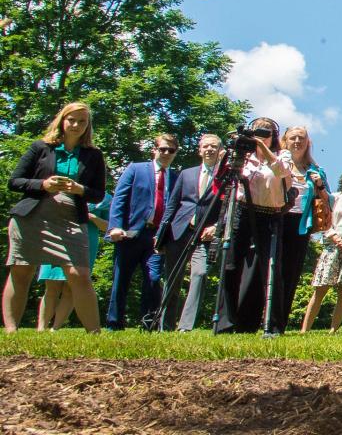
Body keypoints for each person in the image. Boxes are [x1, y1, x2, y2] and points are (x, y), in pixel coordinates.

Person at [3, 102, 105, 333]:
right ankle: (11, 330)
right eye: (72, 119)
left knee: (79, 274)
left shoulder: (93, 155)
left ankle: (94, 333)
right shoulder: (40, 147)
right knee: (21, 269)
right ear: (62, 120)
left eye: (82, 121)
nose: (76, 125)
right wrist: (44, 184)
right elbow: (15, 181)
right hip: (32, 217)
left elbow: (98, 192)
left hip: (70, 220)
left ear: (88, 125)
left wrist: (79, 189)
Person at [214, 117, 292, 336]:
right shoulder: (243, 156)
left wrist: (261, 148)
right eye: (257, 131)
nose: (261, 136)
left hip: (269, 215)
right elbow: (224, 180)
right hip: (241, 211)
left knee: (271, 268)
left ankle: (273, 326)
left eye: (266, 132)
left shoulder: (281, 154)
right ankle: (225, 323)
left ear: (274, 136)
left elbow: (281, 171)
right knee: (230, 265)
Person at [106, 133, 180, 330]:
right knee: (121, 280)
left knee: (154, 279)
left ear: (175, 153)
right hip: (130, 234)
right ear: (154, 150)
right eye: (162, 149)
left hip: (157, 238)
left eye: (170, 150)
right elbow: (119, 199)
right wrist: (114, 227)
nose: (166, 153)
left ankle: (148, 324)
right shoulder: (136, 169)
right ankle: (114, 324)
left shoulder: (176, 178)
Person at [154, 134, 224, 331]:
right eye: (206, 146)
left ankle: (185, 326)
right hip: (179, 231)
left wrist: (217, 227)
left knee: (200, 274)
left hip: (205, 236)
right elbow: (172, 205)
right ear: (199, 150)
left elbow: (228, 209)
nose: (209, 149)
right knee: (172, 278)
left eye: (214, 147)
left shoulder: (225, 178)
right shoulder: (186, 173)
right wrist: (161, 234)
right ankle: (165, 326)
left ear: (220, 152)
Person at [301, 165, 342, 333]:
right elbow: (324, 218)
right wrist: (335, 237)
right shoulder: (335, 198)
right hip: (332, 247)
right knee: (321, 288)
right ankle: (304, 330)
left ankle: (333, 331)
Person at [278, 126, 331, 333]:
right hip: (277, 219)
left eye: (302, 138)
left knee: (291, 273)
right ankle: (262, 318)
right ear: (285, 141)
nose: (297, 141)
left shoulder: (315, 169)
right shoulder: (278, 164)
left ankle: (280, 321)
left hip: (301, 224)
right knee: (271, 270)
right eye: (293, 138)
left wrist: (319, 185)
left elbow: (328, 201)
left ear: (308, 142)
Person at [37, 192, 110, 330]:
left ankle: (55, 328)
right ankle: (41, 328)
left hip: (86, 241)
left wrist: (93, 217)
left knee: (71, 288)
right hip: (57, 237)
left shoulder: (104, 198)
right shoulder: (61, 190)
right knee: (52, 285)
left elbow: (108, 227)